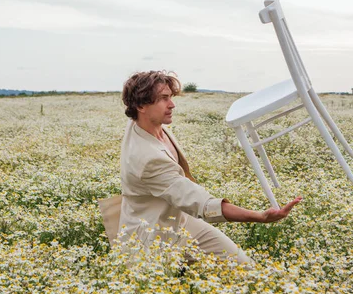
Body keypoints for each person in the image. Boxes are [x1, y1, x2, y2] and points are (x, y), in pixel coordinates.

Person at [118, 70, 301, 264]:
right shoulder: (146, 158)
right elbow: (202, 204)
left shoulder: (147, 123)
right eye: (164, 99)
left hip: (181, 222)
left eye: (170, 97)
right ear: (140, 105)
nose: (172, 105)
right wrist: (259, 216)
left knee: (244, 266)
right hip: (152, 236)